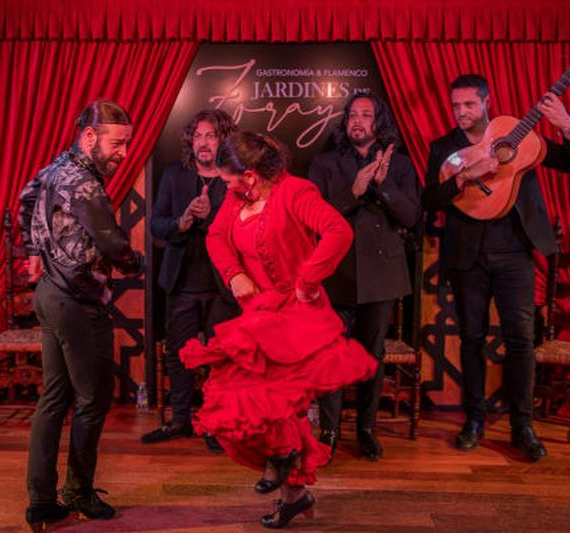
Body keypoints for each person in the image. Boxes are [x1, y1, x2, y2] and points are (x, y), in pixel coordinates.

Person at [180, 131, 379, 529]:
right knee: (243, 402)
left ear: (250, 176)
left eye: (229, 180)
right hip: (259, 314)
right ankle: (290, 487)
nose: (226, 186)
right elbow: (218, 237)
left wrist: (308, 279)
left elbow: (339, 231)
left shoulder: (296, 193)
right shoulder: (238, 199)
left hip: (297, 316)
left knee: (279, 407)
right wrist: (234, 273)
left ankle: (291, 486)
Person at [423, 74, 570, 462]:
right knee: (472, 340)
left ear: (486, 102)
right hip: (468, 255)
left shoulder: (518, 135)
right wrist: (463, 176)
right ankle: (474, 420)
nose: (461, 112)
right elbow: (430, 199)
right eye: (456, 106)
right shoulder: (444, 147)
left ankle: (521, 426)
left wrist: (568, 127)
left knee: (520, 341)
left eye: (469, 105)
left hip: (515, 252)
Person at [19, 99, 143, 528]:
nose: (123, 153)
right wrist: (138, 264)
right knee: (93, 400)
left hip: (50, 296)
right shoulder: (86, 185)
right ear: (89, 137)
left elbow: (24, 197)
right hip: (76, 303)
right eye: (117, 143)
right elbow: (112, 244)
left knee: (55, 398)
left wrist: (33, 250)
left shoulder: (55, 168)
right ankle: (79, 492)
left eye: (127, 144)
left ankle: (40, 500)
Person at [308, 93, 422, 461]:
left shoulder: (401, 165)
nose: (358, 120)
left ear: (378, 122)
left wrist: (384, 187)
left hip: (381, 275)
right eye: (352, 115)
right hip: (335, 274)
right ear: (345, 122)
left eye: (366, 115)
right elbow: (311, 216)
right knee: (330, 357)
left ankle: (367, 429)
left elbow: (411, 218)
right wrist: (353, 192)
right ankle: (328, 430)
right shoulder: (325, 163)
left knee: (372, 355)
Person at [142, 110, 240, 451]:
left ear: (223, 140)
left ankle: (213, 424)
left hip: (221, 286)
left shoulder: (235, 180)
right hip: (181, 282)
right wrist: (181, 223)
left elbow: (242, 231)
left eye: (210, 136)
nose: (203, 142)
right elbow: (156, 225)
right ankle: (181, 420)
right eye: (198, 136)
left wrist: (212, 218)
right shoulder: (174, 175)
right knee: (179, 355)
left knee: (219, 359)